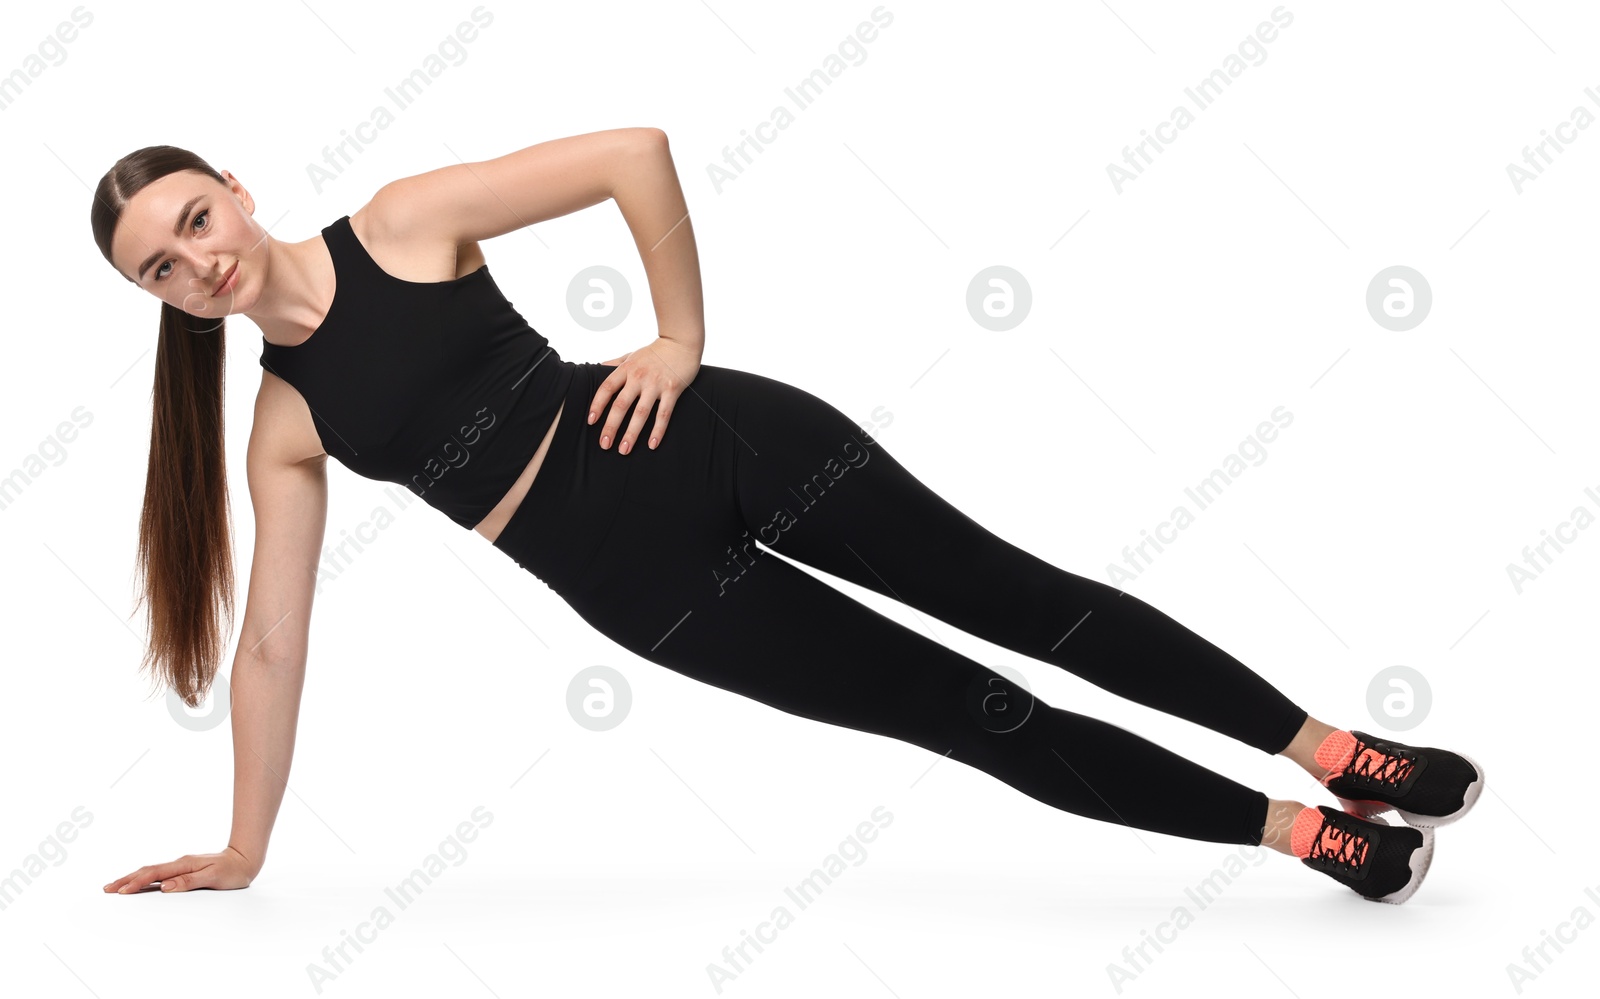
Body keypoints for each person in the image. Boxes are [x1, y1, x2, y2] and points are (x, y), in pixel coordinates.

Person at [92, 129, 1483, 904]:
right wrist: (248, 846)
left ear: (236, 189)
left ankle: (1341, 749)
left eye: (195, 221)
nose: (196, 262)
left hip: (728, 443)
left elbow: (633, 155)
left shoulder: (400, 218)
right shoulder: (285, 422)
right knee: (981, 720)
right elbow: (271, 645)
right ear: (157, 294)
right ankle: (1301, 836)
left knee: (1031, 606)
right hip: (657, 596)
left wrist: (677, 341)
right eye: (163, 265)